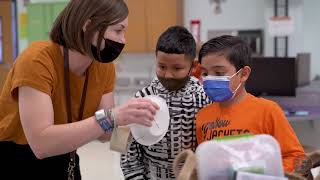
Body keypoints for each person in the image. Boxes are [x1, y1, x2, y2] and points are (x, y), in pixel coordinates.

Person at [0, 0, 158, 179]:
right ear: (89, 26)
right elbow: (41, 145)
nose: (123, 40)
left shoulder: (103, 67)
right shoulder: (36, 61)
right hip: (17, 159)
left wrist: (138, 129)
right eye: (118, 30)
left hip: (67, 158)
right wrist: (113, 116)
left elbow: (106, 133)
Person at [195, 35, 305, 173]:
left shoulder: (267, 111)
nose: (209, 79)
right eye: (205, 73)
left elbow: (296, 157)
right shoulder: (202, 116)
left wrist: (266, 175)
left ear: (243, 74)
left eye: (218, 72)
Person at [120, 26, 211, 180]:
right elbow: (124, 151)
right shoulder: (140, 98)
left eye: (177, 68)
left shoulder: (206, 99)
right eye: (162, 67)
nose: (168, 75)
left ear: (193, 67)